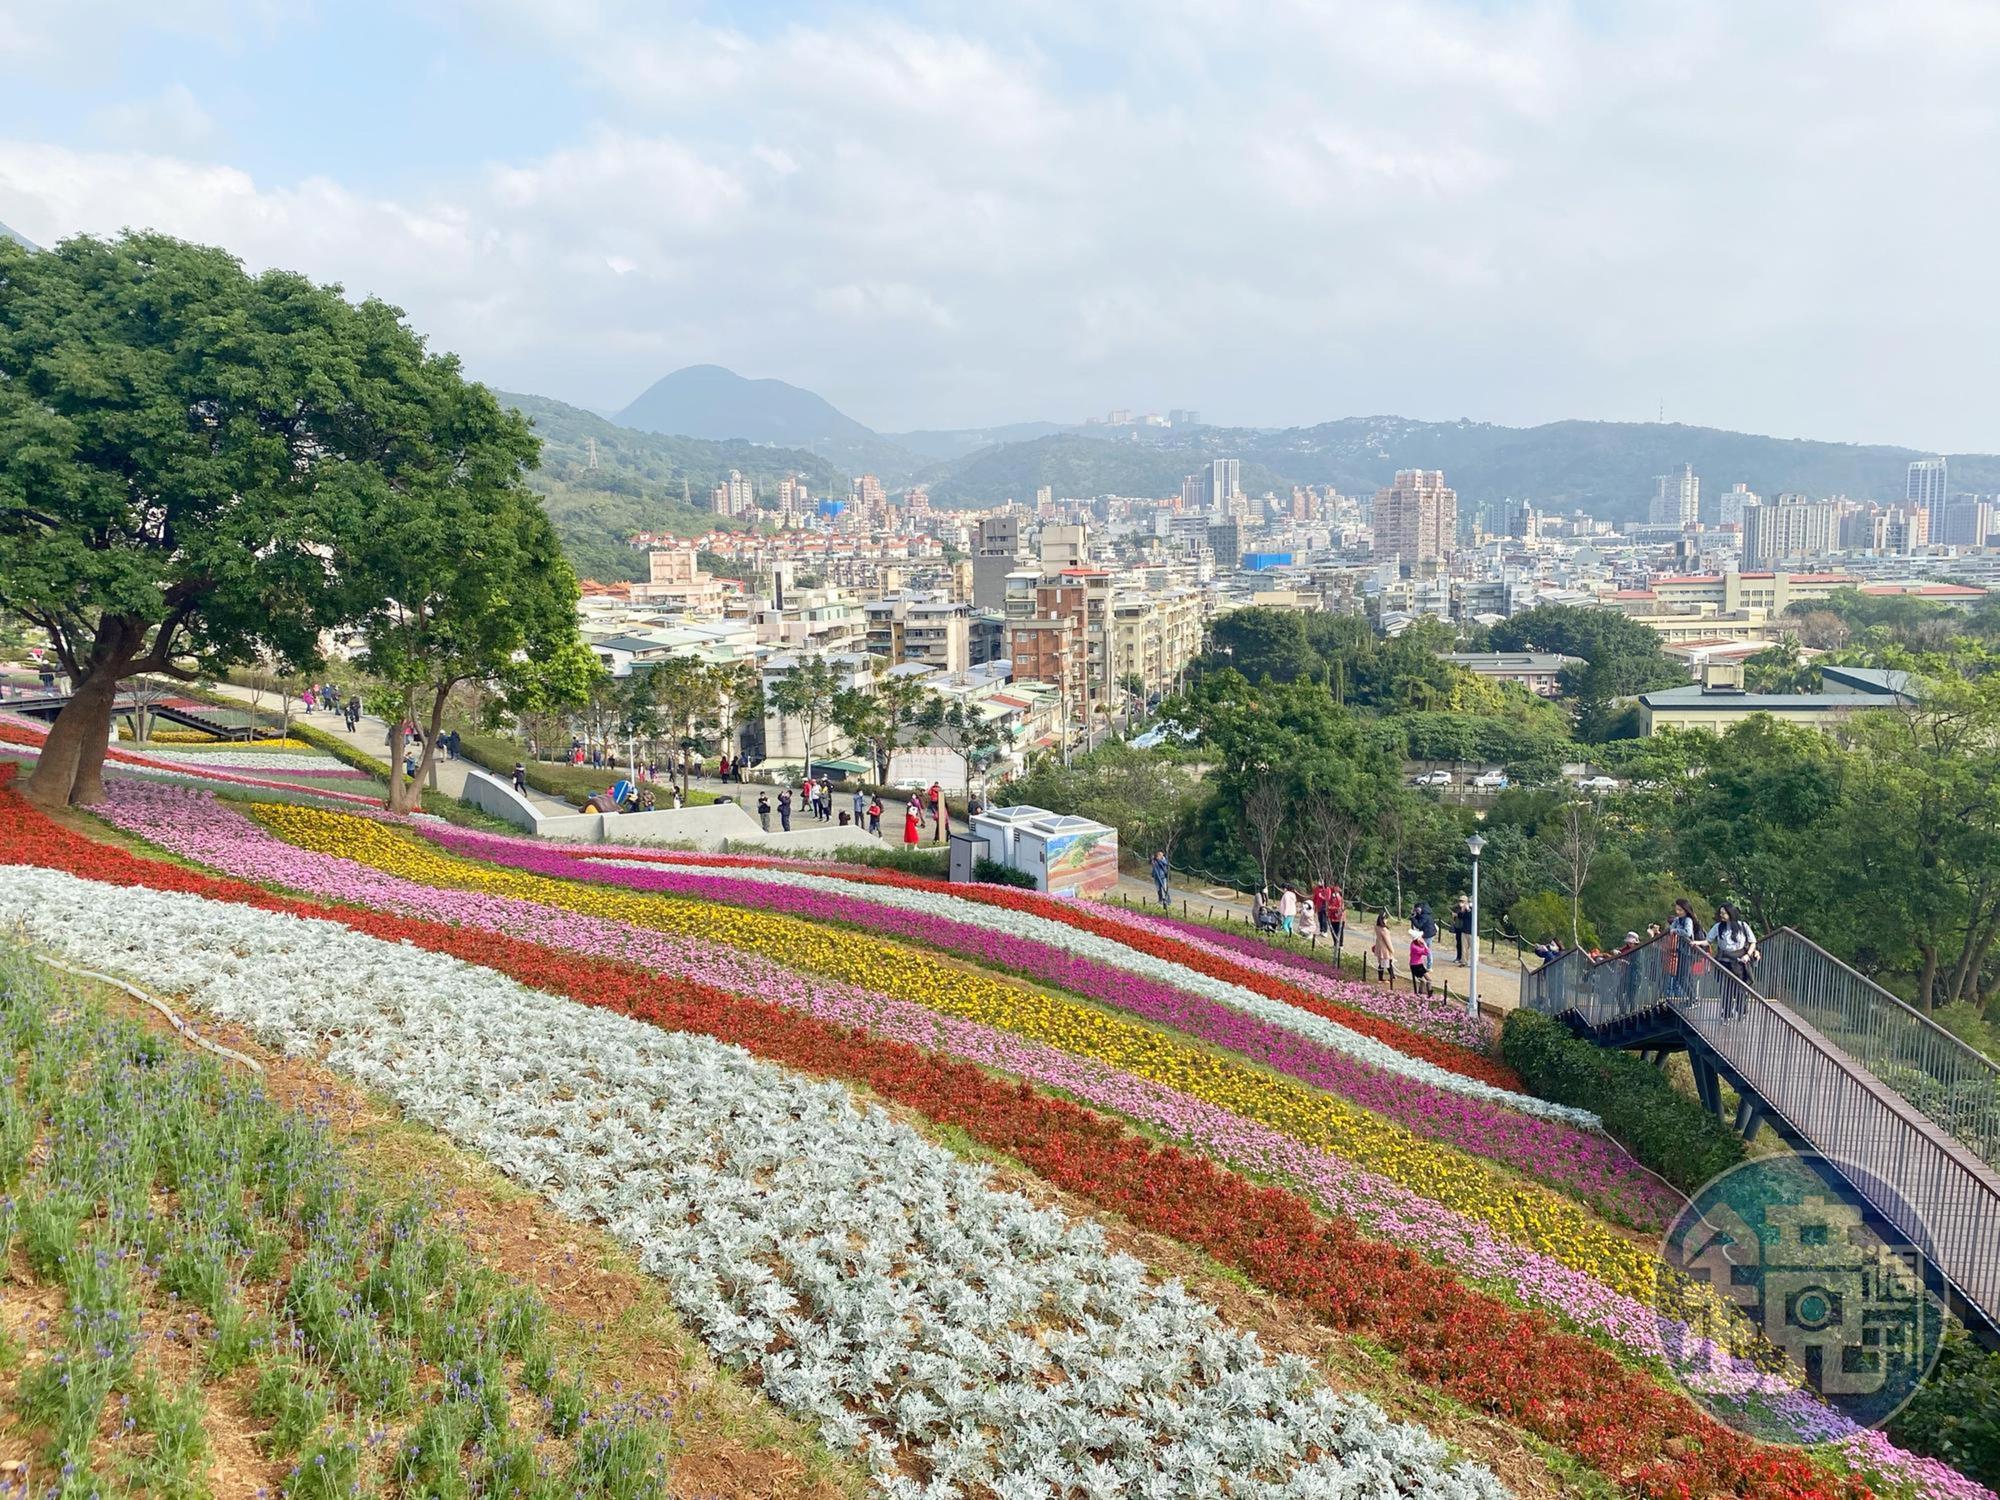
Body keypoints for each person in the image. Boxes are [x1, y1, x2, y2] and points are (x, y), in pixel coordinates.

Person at [1705, 902, 1759, 1016]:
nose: (1722, 915)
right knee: (1725, 988)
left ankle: (1741, 1009)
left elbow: (1753, 942)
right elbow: (1708, 940)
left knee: (1740, 988)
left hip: (1739, 961)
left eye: (1724, 913)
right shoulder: (1718, 927)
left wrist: (1748, 955)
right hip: (1724, 960)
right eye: (1721, 913)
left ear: (1731, 913)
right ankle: (1726, 1011)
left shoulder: (1742, 926)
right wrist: (1696, 943)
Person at [1664, 897, 1698, 998]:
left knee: (1684, 976)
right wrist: (1673, 929)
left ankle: (1693, 997)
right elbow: (1670, 928)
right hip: (1681, 950)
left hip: (1688, 951)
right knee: (1680, 976)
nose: (1678, 912)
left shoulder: (1688, 920)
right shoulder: (1677, 920)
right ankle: (1692, 997)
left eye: (1680, 910)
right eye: (1677, 909)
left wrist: (1676, 931)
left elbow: (1688, 932)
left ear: (1685, 910)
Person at [1370, 913, 1395, 982]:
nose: (1387, 921)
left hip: (1379, 947)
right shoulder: (1384, 930)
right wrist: (1392, 950)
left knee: (1383, 963)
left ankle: (1391, 976)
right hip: (1384, 949)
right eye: (1386, 919)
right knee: (1385, 963)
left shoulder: (1377, 927)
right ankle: (1382, 978)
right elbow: (1388, 941)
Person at [1451, 895, 1473, 966]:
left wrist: (1459, 913)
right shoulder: (1457, 908)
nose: (1461, 902)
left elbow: (1464, 916)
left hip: (1465, 928)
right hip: (1458, 927)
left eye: (1462, 901)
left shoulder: (1468, 908)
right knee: (1459, 943)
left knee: (1466, 945)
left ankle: (1465, 959)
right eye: (1460, 901)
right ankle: (1459, 957)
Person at [1408, 928, 1432, 994]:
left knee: (1429, 979)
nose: (1422, 938)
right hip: (1415, 966)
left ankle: (1429, 993)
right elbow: (1426, 952)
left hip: (1419, 965)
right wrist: (1424, 944)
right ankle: (1420, 993)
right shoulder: (1415, 947)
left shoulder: (1414, 943)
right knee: (1423, 981)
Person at [1325, 883, 1345, 950]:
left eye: (1337, 886)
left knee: (1339, 931)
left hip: (1339, 917)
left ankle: (1340, 945)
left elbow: (1340, 908)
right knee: (1333, 930)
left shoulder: (1340, 898)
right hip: (1332, 917)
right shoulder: (1331, 897)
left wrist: (1331, 908)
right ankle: (1335, 943)